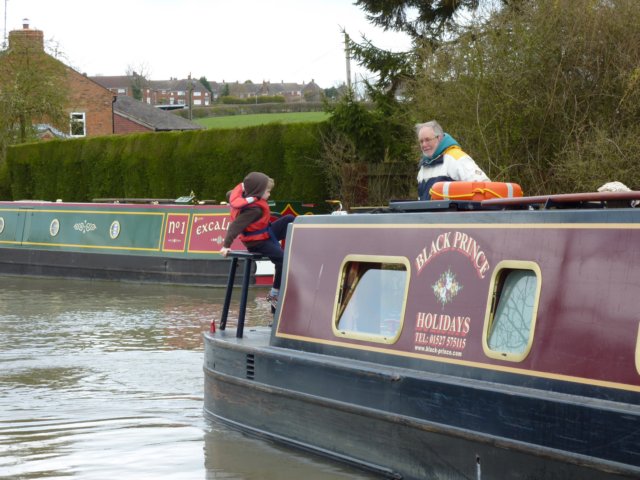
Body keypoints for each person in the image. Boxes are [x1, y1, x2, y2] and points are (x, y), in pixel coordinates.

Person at [219, 172, 294, 305]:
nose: (269, 194)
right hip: (257, 242)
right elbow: (235, 226)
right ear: (258, 192)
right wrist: (226, 246)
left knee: (289, 219)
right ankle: (274, 293)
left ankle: (300, 247)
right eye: (268, 191)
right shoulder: (254, 210)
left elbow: (230, 194)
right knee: (283, 259)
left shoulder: (250, 198)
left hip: (266, 233)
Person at [416, 120, 490, 200]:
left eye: (427, 140)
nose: (424, 144)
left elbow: (485, 188)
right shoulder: (423, 166)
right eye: (421, 141)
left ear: (439, 138)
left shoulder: (456, 158)